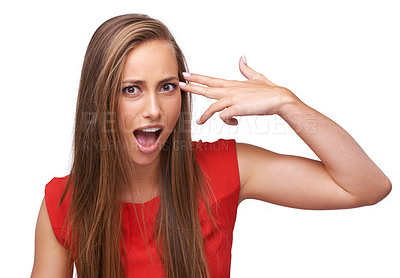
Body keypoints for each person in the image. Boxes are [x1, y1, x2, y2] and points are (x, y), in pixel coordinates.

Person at [31, 14, 391, 278]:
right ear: (100, 98)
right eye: (132, 89)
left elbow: (366, 187)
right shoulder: (63, 204)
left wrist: (287, 104)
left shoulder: (222, 168)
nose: (154, 109)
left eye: (167, 87)